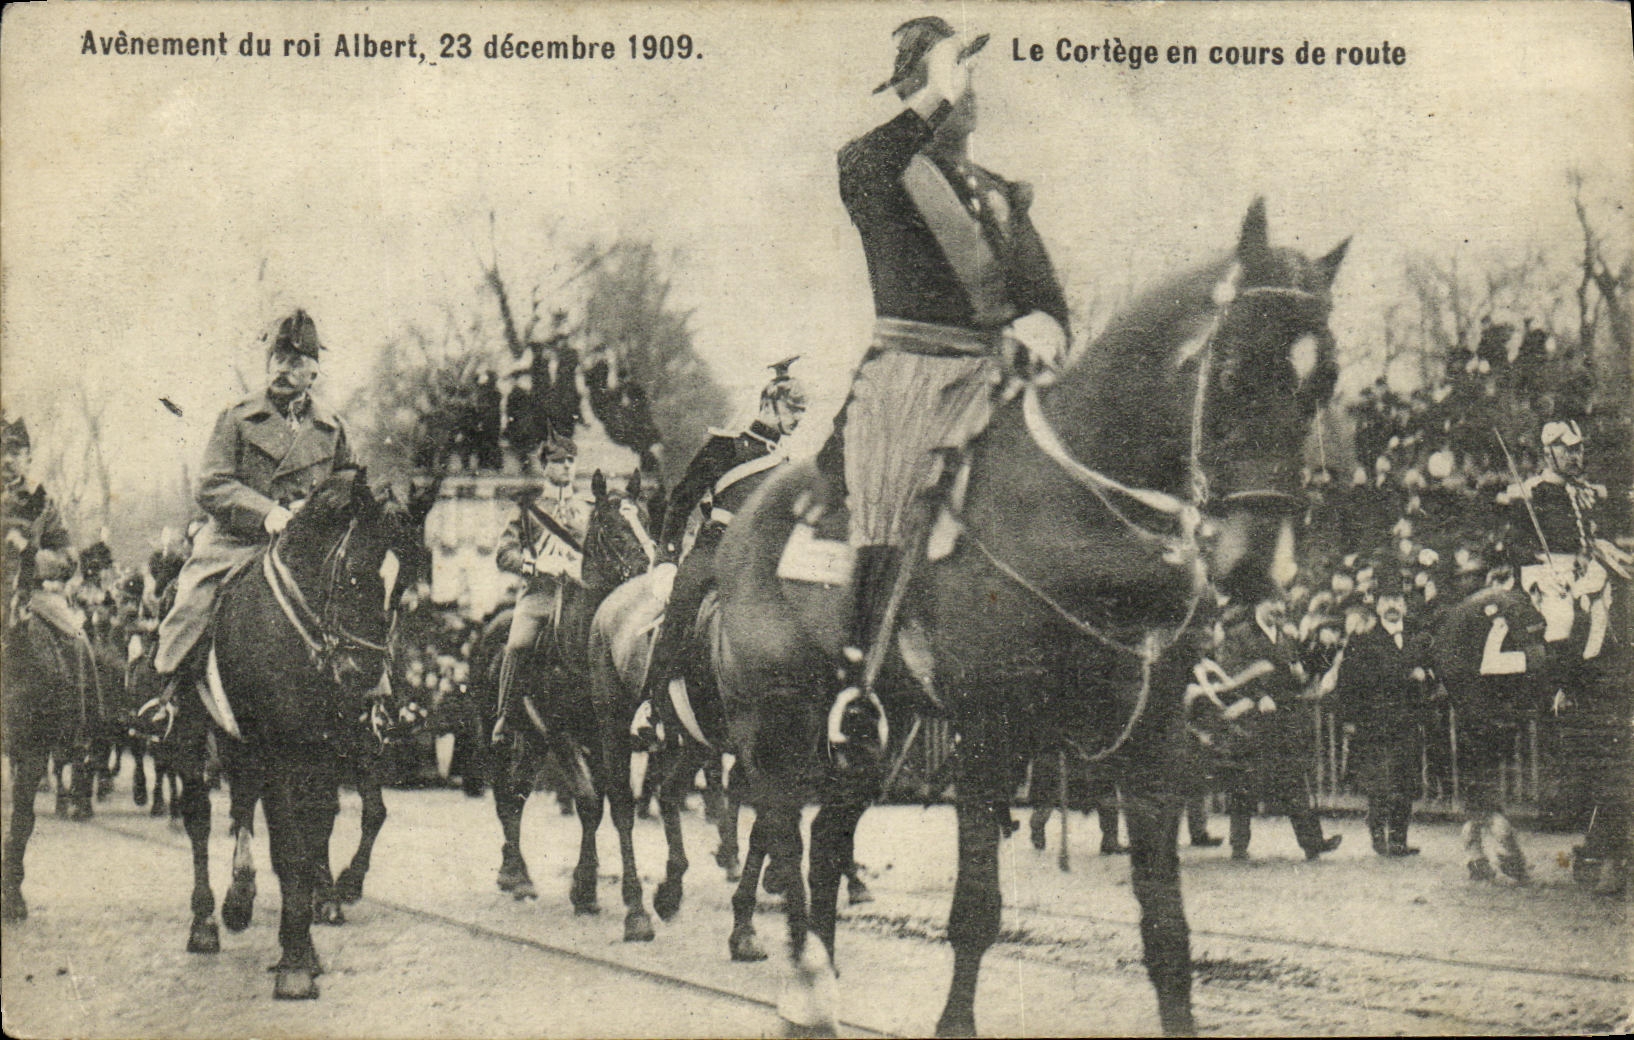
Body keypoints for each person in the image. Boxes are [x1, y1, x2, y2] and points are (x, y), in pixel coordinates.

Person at [817, 16, 1071, 707]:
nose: (969, 90)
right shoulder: (879, 172)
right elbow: (868, 165)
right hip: (915, 375)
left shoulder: (999, 193)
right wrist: (933, 94)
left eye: (969, 77)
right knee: (892, 490)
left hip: (998, 373)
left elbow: (1046, 296)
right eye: (950, 74)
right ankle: (859, 679)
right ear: (914, 90)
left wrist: (1045, 326)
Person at [152, 309, 354, 686]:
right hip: (237, 542)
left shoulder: (333, 428)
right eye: (277, 359)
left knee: (360, 613)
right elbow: (211, 484)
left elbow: (349, 488)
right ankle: (166, 698)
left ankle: (378, 706)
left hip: (306, 550)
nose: (282, 369)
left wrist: (316, 513)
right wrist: (266, 512)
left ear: (314, 372)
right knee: (191, 606)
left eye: (295, 361)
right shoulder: (237, 416)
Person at [635, 359, 807, 743]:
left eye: (802, 412)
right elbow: (681, 500)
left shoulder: (786, 464)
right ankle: (651, 705)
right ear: (768, 405)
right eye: (792, 410)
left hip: (760, 558)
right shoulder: (725, 447)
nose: (798, 419)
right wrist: (666, 556)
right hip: (715, 549)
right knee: (682, 604)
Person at [1212, 598, 1343, 862]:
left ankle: (1312, 843)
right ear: (1258, 603)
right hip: (1251, 718)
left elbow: (1298, 673)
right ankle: (1239, 844)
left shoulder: (1285, 637)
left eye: (1282, 604)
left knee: (1294, 779)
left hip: (1283, 718)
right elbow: (1230, 674)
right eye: (1272, 603)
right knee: (1245, 782)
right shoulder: (1239, 636)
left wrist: (1304, 669)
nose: (1279, 610)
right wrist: (1258, 696)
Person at [490, 433, 589, 742]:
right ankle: (504, 717)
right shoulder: (527, 509)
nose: (567, 468)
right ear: (545, 466)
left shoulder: (588, 508)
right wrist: (534, 566)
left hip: (581, 593)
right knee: (518, 644)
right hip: (541, 594)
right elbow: (504, 554)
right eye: (559, 462)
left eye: (571, 462)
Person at [1330, 591, 1432, 856]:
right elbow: (1348, 680)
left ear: (1406, 606)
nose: (1392, 607)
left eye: (1398, 601)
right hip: (1375, 721)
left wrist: (1425, 677)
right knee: (1381, 784)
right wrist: (1349, 718)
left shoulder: (1419, 635)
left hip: (1408, 720)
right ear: (1377, 607)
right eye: (1386, 602)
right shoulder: (1363, 638)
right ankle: (1378, 835)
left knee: (1405, 781)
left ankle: (1399, 839)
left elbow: (1434, 667)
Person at [2, 414, 77, 637]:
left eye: (14, 452)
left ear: (28, 458)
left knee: (75, 640)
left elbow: (68, 560)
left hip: (29, 596)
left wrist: (29, 554)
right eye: (1, 451)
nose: (6, 460)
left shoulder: (42, 503)